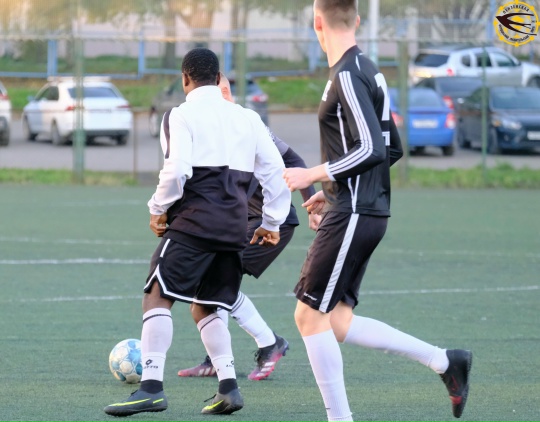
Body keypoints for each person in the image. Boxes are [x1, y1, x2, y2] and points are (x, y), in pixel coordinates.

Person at [282, 1, 472, 421]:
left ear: (317, 22)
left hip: (355, 212)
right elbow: (392, 148)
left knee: (308, 315)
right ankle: (445, 361)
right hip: (359, 209)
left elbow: (371, 148)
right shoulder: (368, 69)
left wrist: (314, 175)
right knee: (336, 321)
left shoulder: (347, 74)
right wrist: (333, 190)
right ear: (357, 19)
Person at [104, 47, 291, 417]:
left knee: (157, 296)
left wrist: (157, 209)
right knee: (206, 306)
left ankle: (151, 388)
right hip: (234, 228)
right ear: (219, 78)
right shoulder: (248, 118)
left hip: (195, 223)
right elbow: (275, 171)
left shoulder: (180, 114)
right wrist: (272, 222)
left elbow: (177, 170)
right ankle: (229, 388)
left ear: (185, 78)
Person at [176, 74, 320, 381]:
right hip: (239, 222)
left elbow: (293, 159)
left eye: (221, 90)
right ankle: (220, 358)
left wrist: (310, 204)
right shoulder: (203, 123)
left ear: (226, 91)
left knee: (215, 282)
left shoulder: (248, 122)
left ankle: (269, 344)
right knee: (212, 284)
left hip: (271, 223)